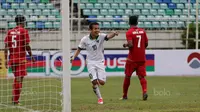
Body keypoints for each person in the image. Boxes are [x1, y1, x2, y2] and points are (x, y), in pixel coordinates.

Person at [71, 22, 118, 104]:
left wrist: (114, 33)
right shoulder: (84, 39)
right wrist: (74, 57)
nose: (97, 30)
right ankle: (100, 98)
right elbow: (79, 49)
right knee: (94, 81)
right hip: (90, 62)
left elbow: (108, 36)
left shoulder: (101, 36)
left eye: (98, 28)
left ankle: (95, 86)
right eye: (95, 28)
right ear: (90, 30)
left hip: (100, 62)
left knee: (102, 82)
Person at [4, 15, 35, 105]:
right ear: (23, 22)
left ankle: (14, 97)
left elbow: (6, 47)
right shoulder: (24, 31)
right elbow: (26, 45)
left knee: (17, 78)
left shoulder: (9, 32)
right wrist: (31, 56)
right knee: (19, 79)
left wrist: (6, 59)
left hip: (12, 59)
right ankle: (15, 100)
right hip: (20, 59)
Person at [120, 15, 148, 101]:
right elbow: (146, 44)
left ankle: (125, 96)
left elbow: (131, 44)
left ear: (129, 22)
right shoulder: (143, 31)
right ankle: (144, 91)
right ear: (137, 22)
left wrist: (125, 45)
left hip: (132, 59)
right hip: (141, 58)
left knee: (127, 76)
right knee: (142, 77)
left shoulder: (129, 32)